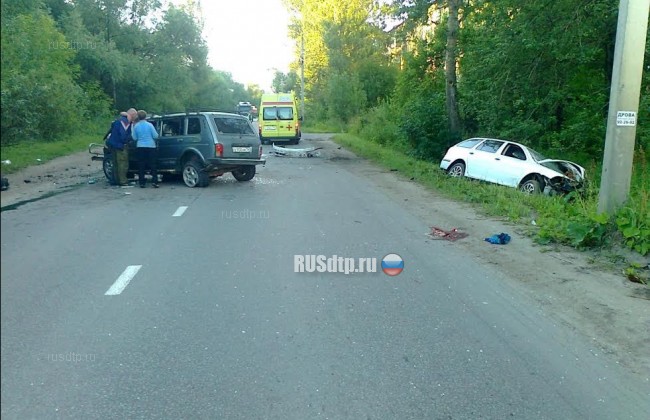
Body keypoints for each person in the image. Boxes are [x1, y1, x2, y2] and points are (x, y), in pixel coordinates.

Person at [106, 108, 137, 186]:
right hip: (119, 145)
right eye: (135, 116)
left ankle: (116, 181)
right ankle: (123, 181)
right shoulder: (125, 123)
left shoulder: (120, 120)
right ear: (132, 115)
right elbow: (123, 136)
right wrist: (130, 140)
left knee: (116, 164)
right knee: (123, 164)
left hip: (113, 144)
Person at [131, 110, 159, 188]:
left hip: (140, 146)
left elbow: (134, 137)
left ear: (138, 117)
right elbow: (155, 136)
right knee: (153, 164)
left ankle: (142, 182)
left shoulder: (136, 126)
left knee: (141, 165)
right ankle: (155, 181)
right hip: (151, 146)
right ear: (145, 116)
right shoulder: (150, 125)